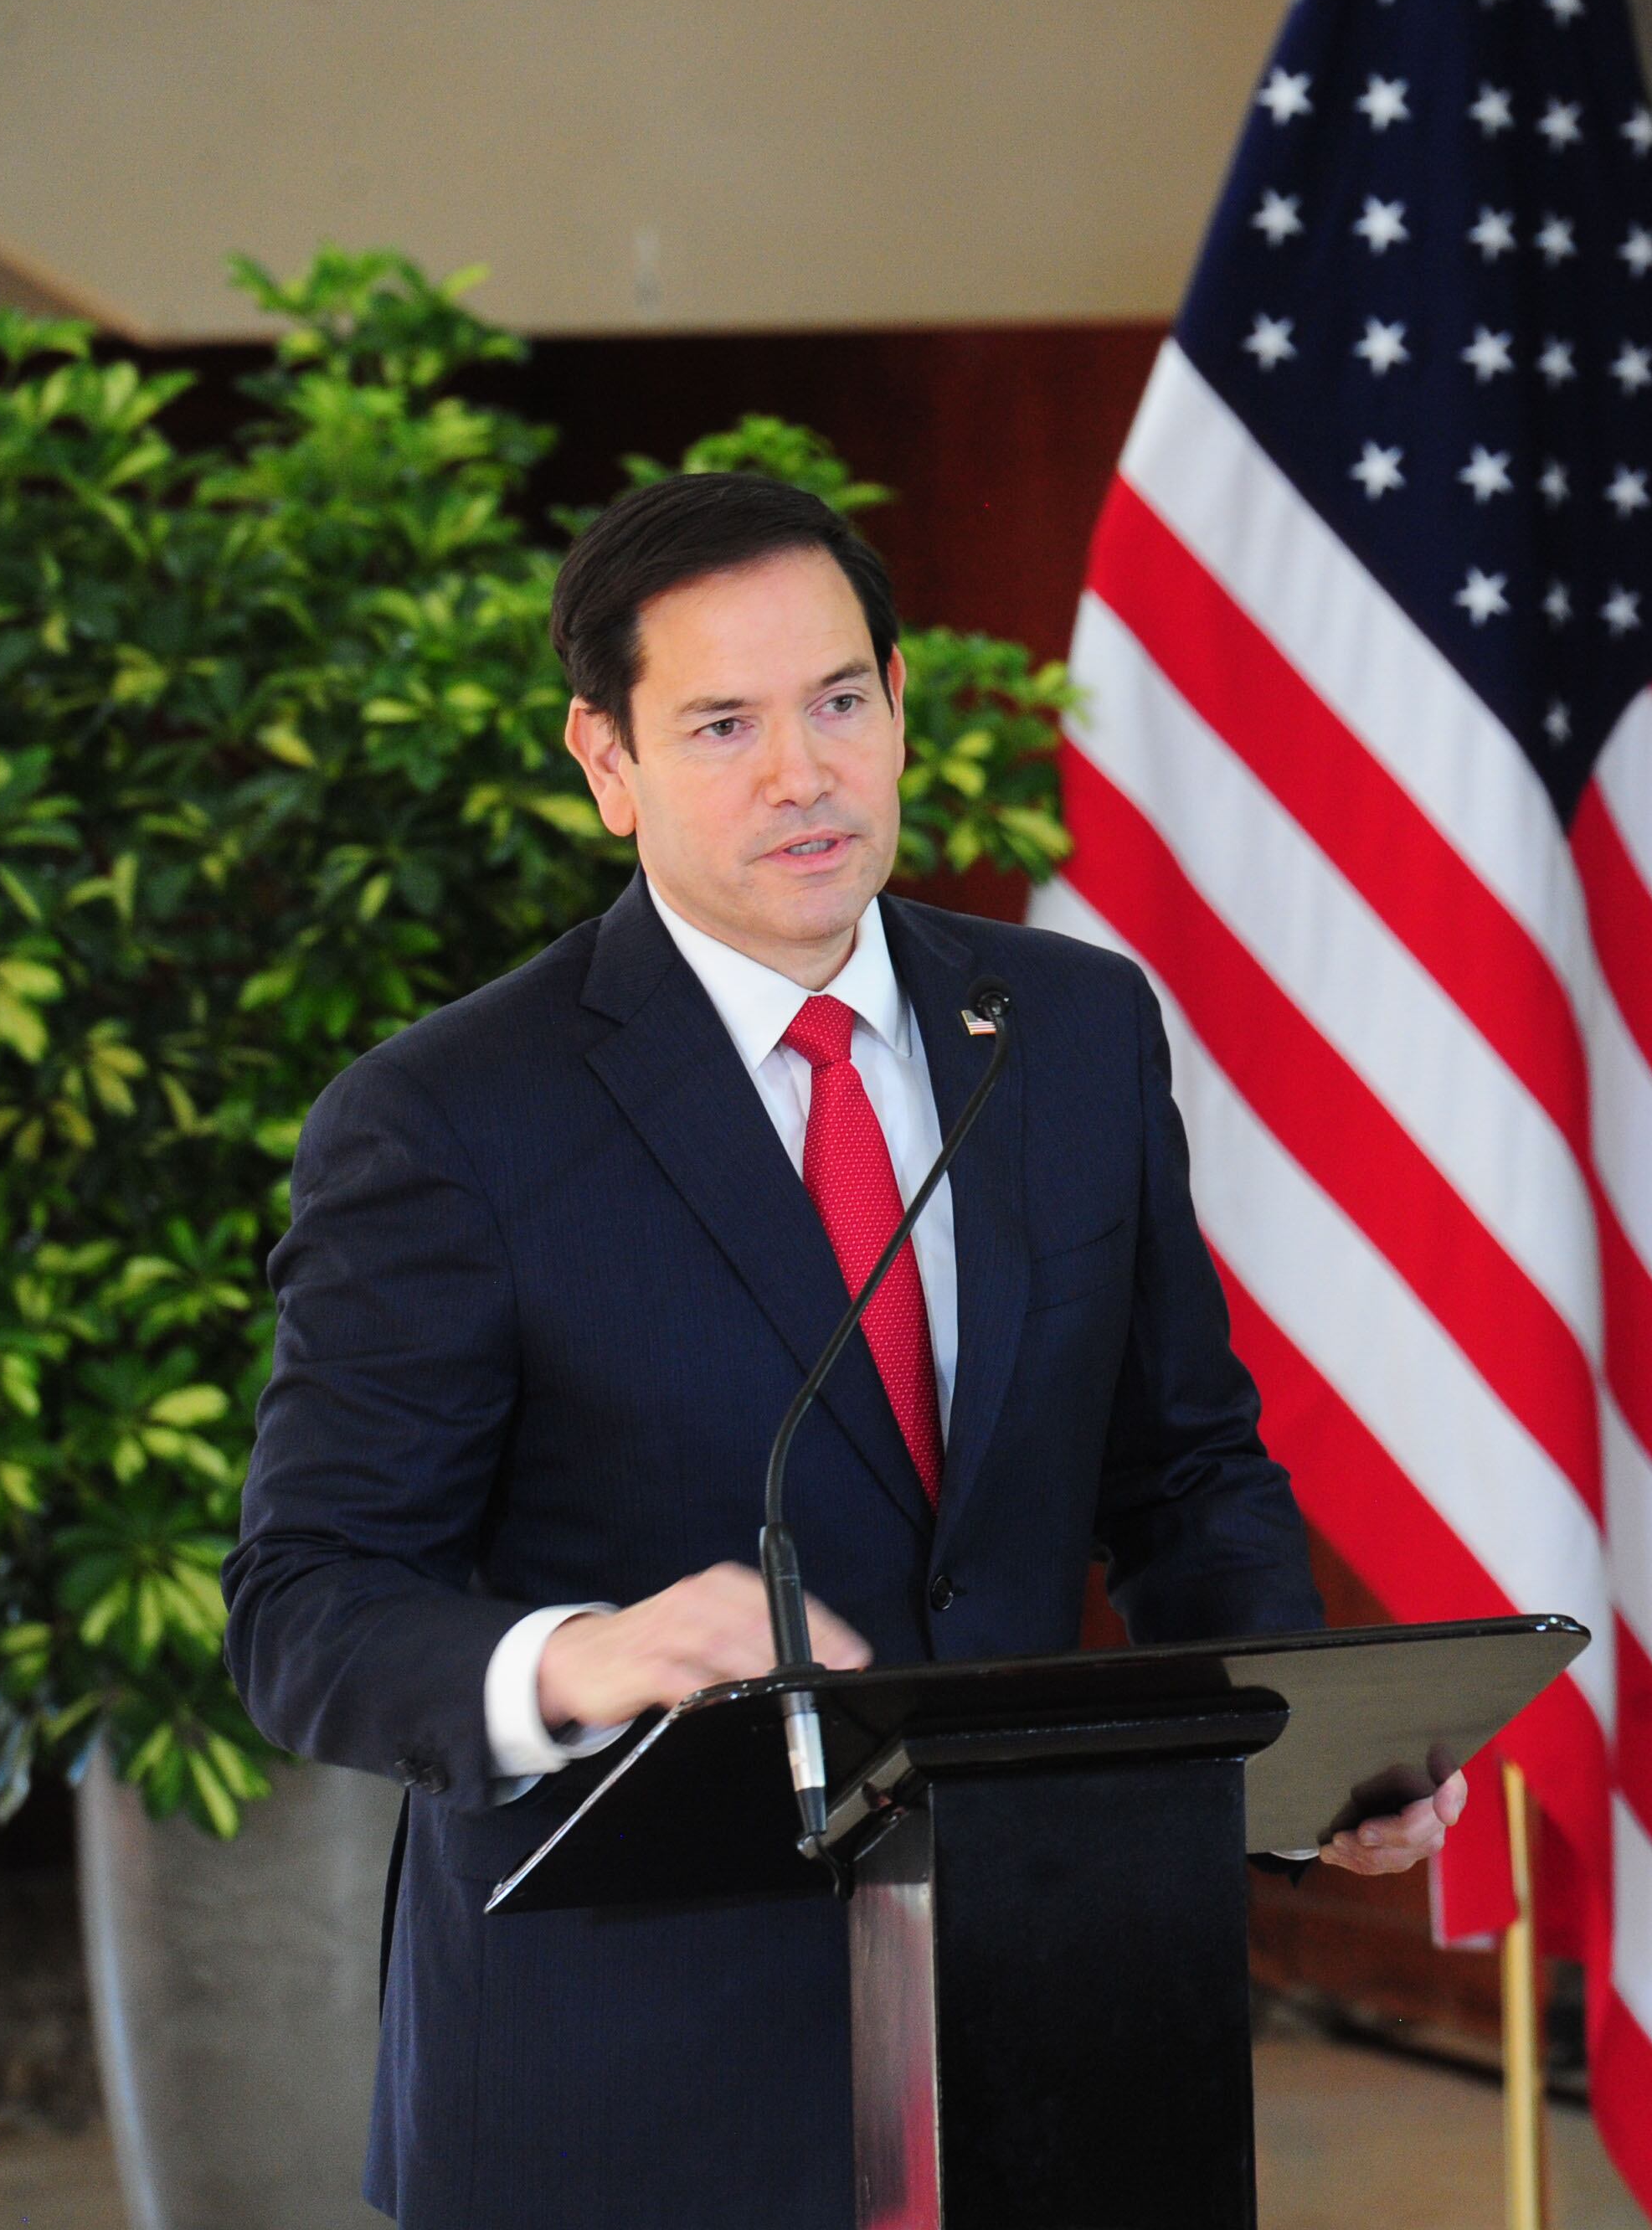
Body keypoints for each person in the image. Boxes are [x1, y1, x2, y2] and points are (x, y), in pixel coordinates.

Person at [224, 472, 1462, 2229]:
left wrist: (1294, 1744)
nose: (802, 776)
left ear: (898, 704)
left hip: (1056, 2034)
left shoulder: (1070, 1029)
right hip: (628, 2091)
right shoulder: (445, 1124)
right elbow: (302, 1603)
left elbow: (1177, 1466)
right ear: (605, 762)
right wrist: (581, 1656)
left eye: (838, 703)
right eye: (721, 724)